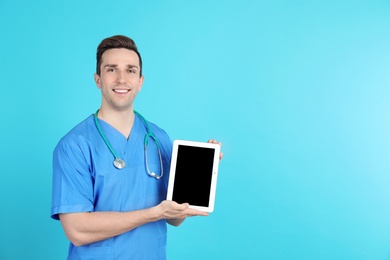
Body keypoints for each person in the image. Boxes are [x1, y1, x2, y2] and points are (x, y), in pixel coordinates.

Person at [51, 35, 222, 259]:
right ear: (98, 79)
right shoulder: (74, 145)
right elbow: (77, 230)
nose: (122, 79)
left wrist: (199, 175)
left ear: (140, 81)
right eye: (112, 70)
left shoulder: (158, 138)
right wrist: (152, 214)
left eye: (130, 70)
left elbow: (174, 217)